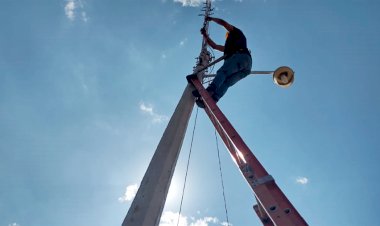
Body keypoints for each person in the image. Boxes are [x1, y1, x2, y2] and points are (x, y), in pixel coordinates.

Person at [193, 17, 252, 108]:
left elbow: (223, 23)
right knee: (227, 82)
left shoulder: (236, 33)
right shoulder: (229, 48)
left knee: (223, 72)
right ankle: (214, 98)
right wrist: (205, 35)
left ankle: (209, 91)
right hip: (246, 67)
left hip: (240, 57)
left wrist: (211, 19)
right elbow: (214, 46)